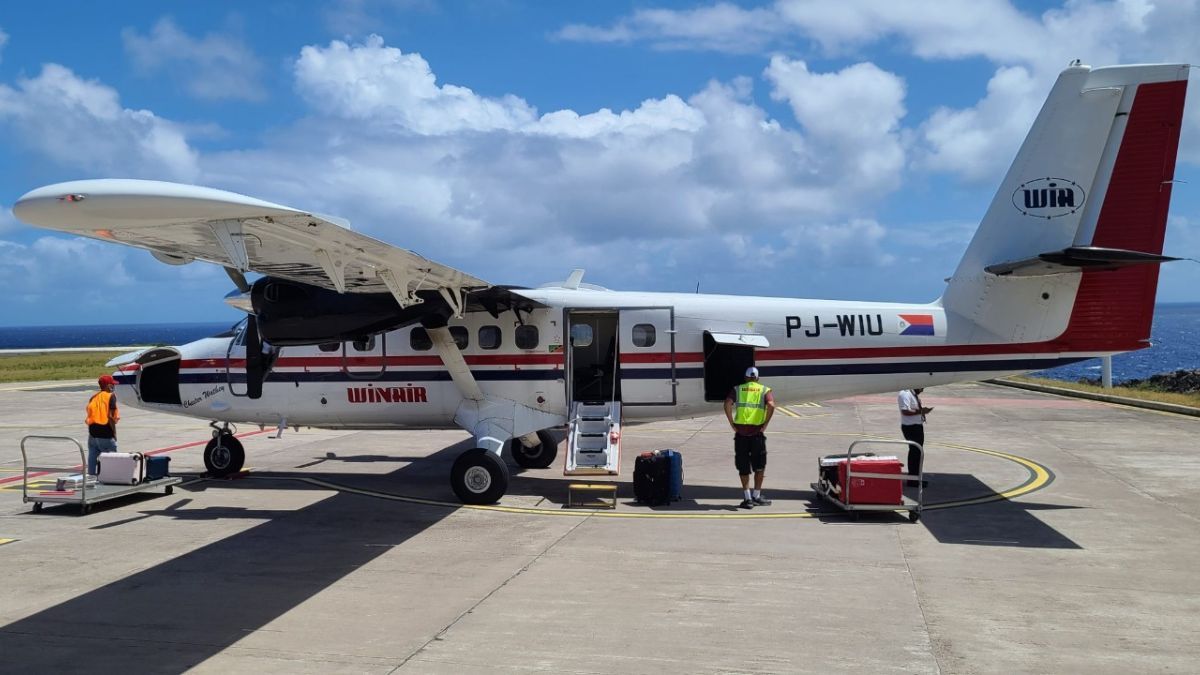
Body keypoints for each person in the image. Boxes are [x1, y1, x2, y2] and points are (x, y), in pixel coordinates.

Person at [725, 366, 776, 509]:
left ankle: (747, 499)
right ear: (757, 378)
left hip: (741, 434)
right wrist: (765, 424)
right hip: (757, 434)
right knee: (759, 466)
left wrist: (732, 423)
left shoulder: (737, 389)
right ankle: (757, 496)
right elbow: (771, 405)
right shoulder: (764, 390)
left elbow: (727, 403)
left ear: (746, 377)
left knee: (743, 466)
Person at [85, 374, 120, 475]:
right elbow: (110, 417)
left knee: (92, 456)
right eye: (112, 385)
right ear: (108, 386)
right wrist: (114, 433)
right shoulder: (111, 396)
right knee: (112, 458)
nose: (114, 387)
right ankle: (111, 476)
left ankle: (91, 477)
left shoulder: (93, 397)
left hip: (92, 434)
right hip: (105, 433)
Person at [897, 388, 932, 484]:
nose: (922, 390)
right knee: (915, 452)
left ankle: (916, 478)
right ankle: (913, 480)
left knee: (917, 452)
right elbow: (905, 411)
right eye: (921, 388)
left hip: (916, 426)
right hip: (911, 428)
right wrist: (921, 411)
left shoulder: (912, 394)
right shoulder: (905, 393)